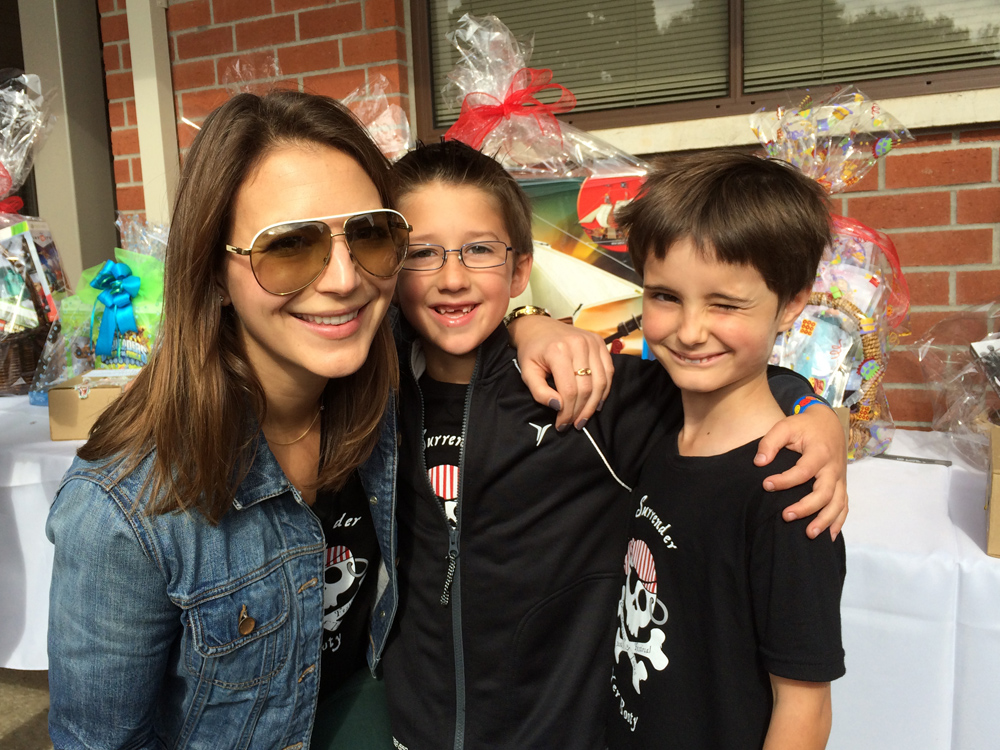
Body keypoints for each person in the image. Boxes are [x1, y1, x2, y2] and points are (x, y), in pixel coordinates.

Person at [43, 91, 604, 750]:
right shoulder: (123, 513)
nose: (343, 278)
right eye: (287, 246)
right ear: (214, 271)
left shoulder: (379, 374)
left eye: (370, 235)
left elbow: (463, 300)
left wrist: (529, 323)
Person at [379, 140, 847, 750]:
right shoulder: (372, 395)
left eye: (479, 249)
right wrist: (529, 321)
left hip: (555, 732)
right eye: (419, 253)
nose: (451, 277)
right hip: (413, 723)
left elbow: (723, 386)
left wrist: (815, 411)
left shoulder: (584, 393)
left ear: (521, 267)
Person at [607, 152, 847, 749]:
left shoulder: (789, 491)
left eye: (725, 305)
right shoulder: (657, 425)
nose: (689, 330)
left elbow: (806, 709)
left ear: (791, 304)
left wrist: (824, 420)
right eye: (665, 296)